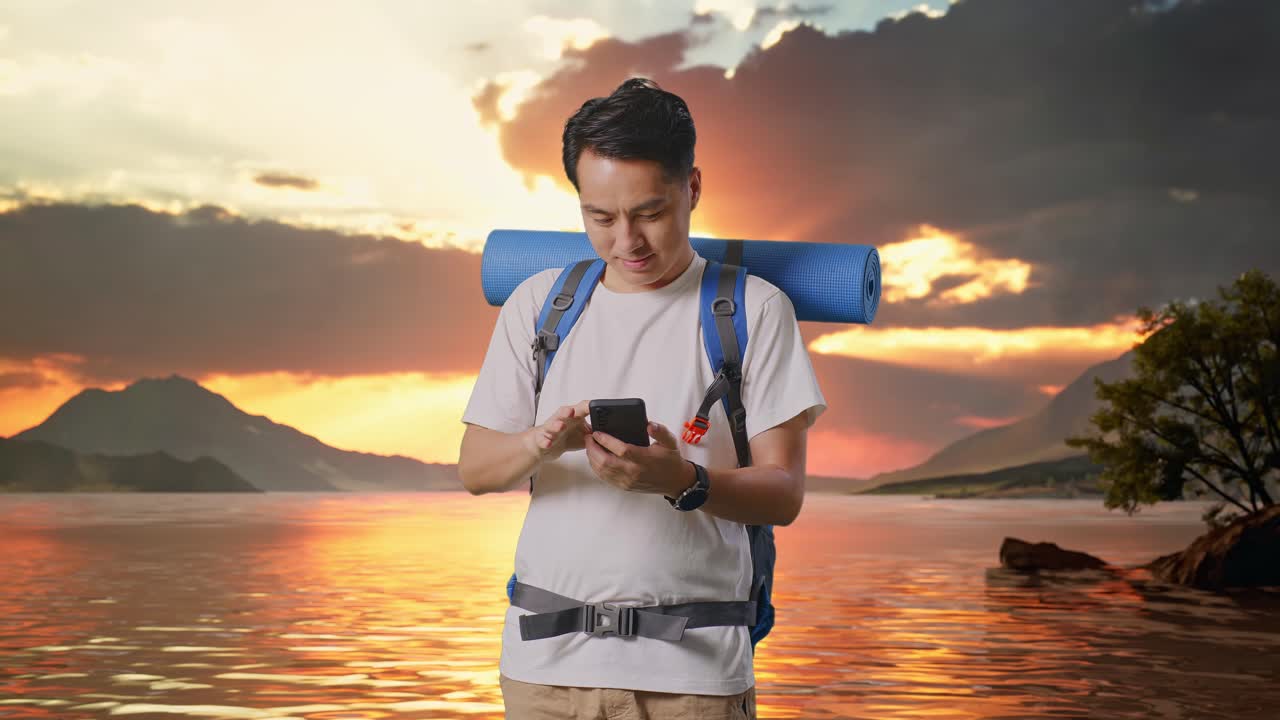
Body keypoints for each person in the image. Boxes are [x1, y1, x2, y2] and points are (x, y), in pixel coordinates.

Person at [458, 77, 827, 719]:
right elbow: (476, 469)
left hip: (694, 680)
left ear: (693, 189)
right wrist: (540, 443)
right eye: (600, 218)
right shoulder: (540, 306)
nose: (626, 241)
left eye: (649, 213)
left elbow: (783, 493)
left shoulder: (755, 310)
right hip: (543, 674)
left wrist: (683, 480)